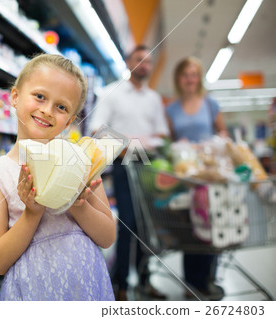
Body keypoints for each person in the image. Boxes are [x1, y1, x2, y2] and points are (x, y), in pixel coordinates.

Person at [0, 54, 116, 301]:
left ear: (71, 120)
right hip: (32, 292)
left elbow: (107, 238)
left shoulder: (82, 161)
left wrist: (77, 204)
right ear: (15, 96)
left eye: (61, 107)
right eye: (40, 96)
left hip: (86, 286)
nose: (47, 110)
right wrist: (31, 213)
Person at [88, 45, 169, 300]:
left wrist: (147, 143)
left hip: (149, 166)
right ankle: (121, 285)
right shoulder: (112, 92)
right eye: (139, 59)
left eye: (148, 61)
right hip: (124, 165)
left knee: (147, 224)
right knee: (128, 224)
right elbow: (95, 129)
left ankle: (145, 281)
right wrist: (126, 145)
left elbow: (162, 134)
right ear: (127, 62)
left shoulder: (153, 98)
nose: (144, 64)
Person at [166, 56, 227, 300]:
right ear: (179, 79)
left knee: (212, 226)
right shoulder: (170, 109)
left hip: (210, 175)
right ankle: (192, 282)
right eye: (185, 74)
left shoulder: (210, 104)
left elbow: (222, 133)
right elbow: (168, 143)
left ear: (198, 78)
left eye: (194, 74)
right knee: (190, 229)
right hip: (185, 178)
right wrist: (176, 146)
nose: (190, 79)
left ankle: (208, 278)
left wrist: (211, 144)